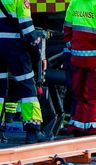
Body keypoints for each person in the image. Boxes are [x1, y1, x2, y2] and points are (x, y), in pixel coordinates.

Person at [63, 0, 96, 136]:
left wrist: (73, 47)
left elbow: (67, 27)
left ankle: (78, 127)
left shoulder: (75, 2)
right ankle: (93, 132)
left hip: (78, 56)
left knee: (81, 94)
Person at [0, 0, 44, 142]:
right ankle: (33, 130)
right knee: (27, 87)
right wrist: (35, 43)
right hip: (14, 48)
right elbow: (26, 26)